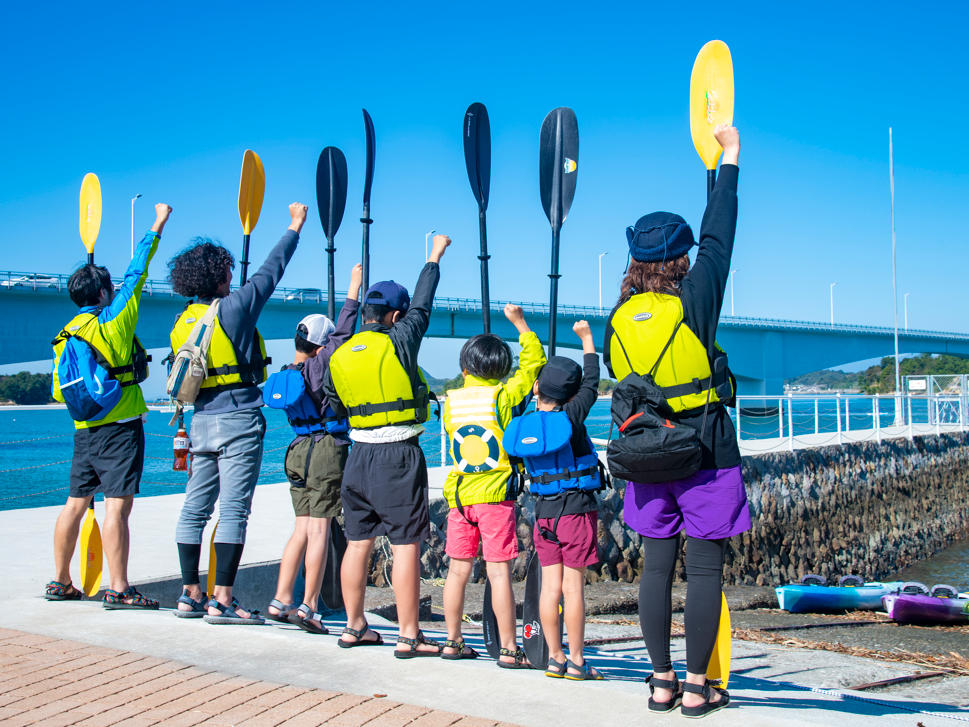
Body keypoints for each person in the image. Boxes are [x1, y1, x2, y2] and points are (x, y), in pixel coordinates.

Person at [602, 124, 747, 717]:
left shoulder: (615, 318)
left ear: (635, 259)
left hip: (646, 454)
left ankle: (660, 682)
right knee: (706, 566)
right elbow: (721, 238)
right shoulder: (696, 300)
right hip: (704, 448)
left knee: (656, 567)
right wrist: (729, 160)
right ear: (680, 258)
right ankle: (696, 686)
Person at [171, 202, 308, 624]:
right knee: (233, 510)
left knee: (194, 508)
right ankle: (223, 599)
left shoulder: (183, 321)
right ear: (222, 275)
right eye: (229, 271)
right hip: (238, 420)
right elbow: (271, 270)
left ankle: (190, 593)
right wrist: (294, 226)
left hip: (199, 422)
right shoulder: (235, 308)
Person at [322, 234, 451, 657]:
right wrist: (433, 256)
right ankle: (410, 634)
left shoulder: (339, 351)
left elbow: (330, 396)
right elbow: (423, 306)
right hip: (398, 455)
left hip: (356, 457)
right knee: (405, 544)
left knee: (358, 542)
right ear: (394, 316)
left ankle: (354, 625)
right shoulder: (399, 339)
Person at [46, 203, 173, 609]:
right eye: (111, 288)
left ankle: (60, 581)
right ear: (103, 293)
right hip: (120, 427)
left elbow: (57, 390)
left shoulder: (66, 333)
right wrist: (158, 222)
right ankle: (118, 587)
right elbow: (137, 271)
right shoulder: (114, 320)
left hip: (84, 429)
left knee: (76, 503)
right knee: (116, 507)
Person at [440, 304, 546, 666]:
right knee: (498, 572)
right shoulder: (503, 396)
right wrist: (520, 324)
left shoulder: (452, 402)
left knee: (457, 571)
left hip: (459, 497)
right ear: (502, 370)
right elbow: (534, 363)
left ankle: (452, 641)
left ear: (464, 368)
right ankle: (507, 648)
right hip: (495, 496)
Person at [264, 263, 363, 633]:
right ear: (322, 345)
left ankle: (281, 598)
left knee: (301, 528)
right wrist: (353, 286)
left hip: (296, 450)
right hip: (324, 451)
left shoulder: (289, 372)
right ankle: (309, 605)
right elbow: (345, 329)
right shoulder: (323, 365)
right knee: (320, 530)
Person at [503, 321, 604, 680]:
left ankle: (556, 657)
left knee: (550, 588)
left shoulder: (522, 423)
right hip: (575, 511)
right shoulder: (572, 417)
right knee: (573, 589)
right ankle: (578, 661)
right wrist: (588, 340)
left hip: (541, 513)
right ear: (572, 395)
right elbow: (592, 381)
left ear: (535, 388)